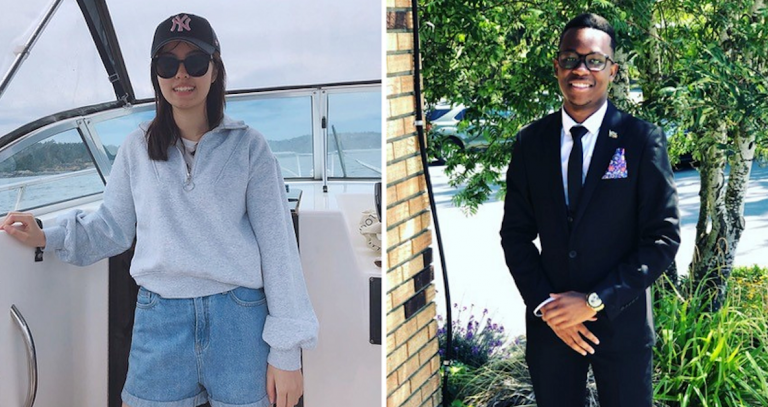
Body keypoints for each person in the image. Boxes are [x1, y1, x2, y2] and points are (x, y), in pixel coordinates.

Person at [1, 13, 317, 407]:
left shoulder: (250, 147)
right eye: (168, 64)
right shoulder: (136, 148)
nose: (181, 74)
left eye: (195, 62)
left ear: (215, 69)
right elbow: (111, 227)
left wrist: (286, 352)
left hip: (239, 318)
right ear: (156, 75)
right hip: (160, 318)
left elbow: (278, 250)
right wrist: (48, 234)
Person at [500, 13, 680, 407]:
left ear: (612, 70)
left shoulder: (641, 139)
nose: (581, 69)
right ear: (557, 67)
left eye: (594, 60)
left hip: (622, 323)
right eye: (571, 59)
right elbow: (515, 235)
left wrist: (594, 301)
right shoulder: (531, 142)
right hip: (553, 327)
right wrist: (547, 307)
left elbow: (662, 239)